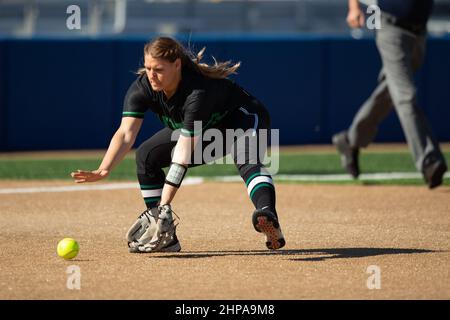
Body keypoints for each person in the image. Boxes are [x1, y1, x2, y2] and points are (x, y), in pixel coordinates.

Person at [70, 36, 285, 253]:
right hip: (206, 128)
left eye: (159, 69)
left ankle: (266, 214)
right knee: (146, 155)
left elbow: (181, 155)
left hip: (242, 117)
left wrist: (166, 203)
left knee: (245, 157)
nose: (151, 75)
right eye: (147, 68)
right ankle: (165, 235)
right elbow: (126, 133)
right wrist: (105, 168)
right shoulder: (143, 88)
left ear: (177, 65)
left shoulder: (196, 92)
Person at [333, 0, 447, 188]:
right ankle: (429, 160)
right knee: (405, 95)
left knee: (391, 89)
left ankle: (350, 139)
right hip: (391, 28)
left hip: (418, 33)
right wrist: (354, 8)